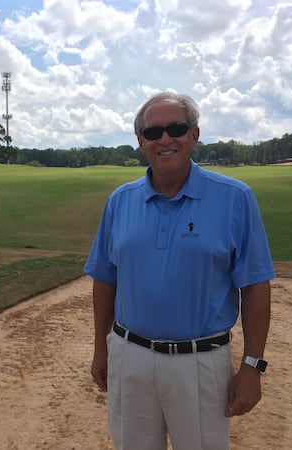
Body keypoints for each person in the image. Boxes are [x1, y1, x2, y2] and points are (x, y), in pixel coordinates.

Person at [84, 92, 274, 450]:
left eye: (176, 128)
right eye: (153, 132)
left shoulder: (235, 198)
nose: (165, 139)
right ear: (140, 142)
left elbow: (255, 286)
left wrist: (252, 365)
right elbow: (105, 279)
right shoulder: (120, 201)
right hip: (130, 357)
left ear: (194, 135)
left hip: (200, 363)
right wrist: (100, 348)